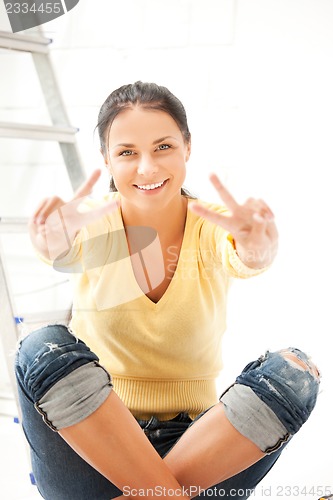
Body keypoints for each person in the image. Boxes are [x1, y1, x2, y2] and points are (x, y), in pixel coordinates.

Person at [15, 81, 320, 500]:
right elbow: (63, 247)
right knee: (39, 347)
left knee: (295, 373)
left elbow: (243, 256)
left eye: (163, 147)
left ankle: (152, 490)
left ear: (187, 147)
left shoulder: (213, 224)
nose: (147, 168)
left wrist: (258, 248)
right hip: (93, 444)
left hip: (199, 447)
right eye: (127, 153)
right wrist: (51, 243)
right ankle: (166, 494)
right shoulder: (91, 220)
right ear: (106, 159)